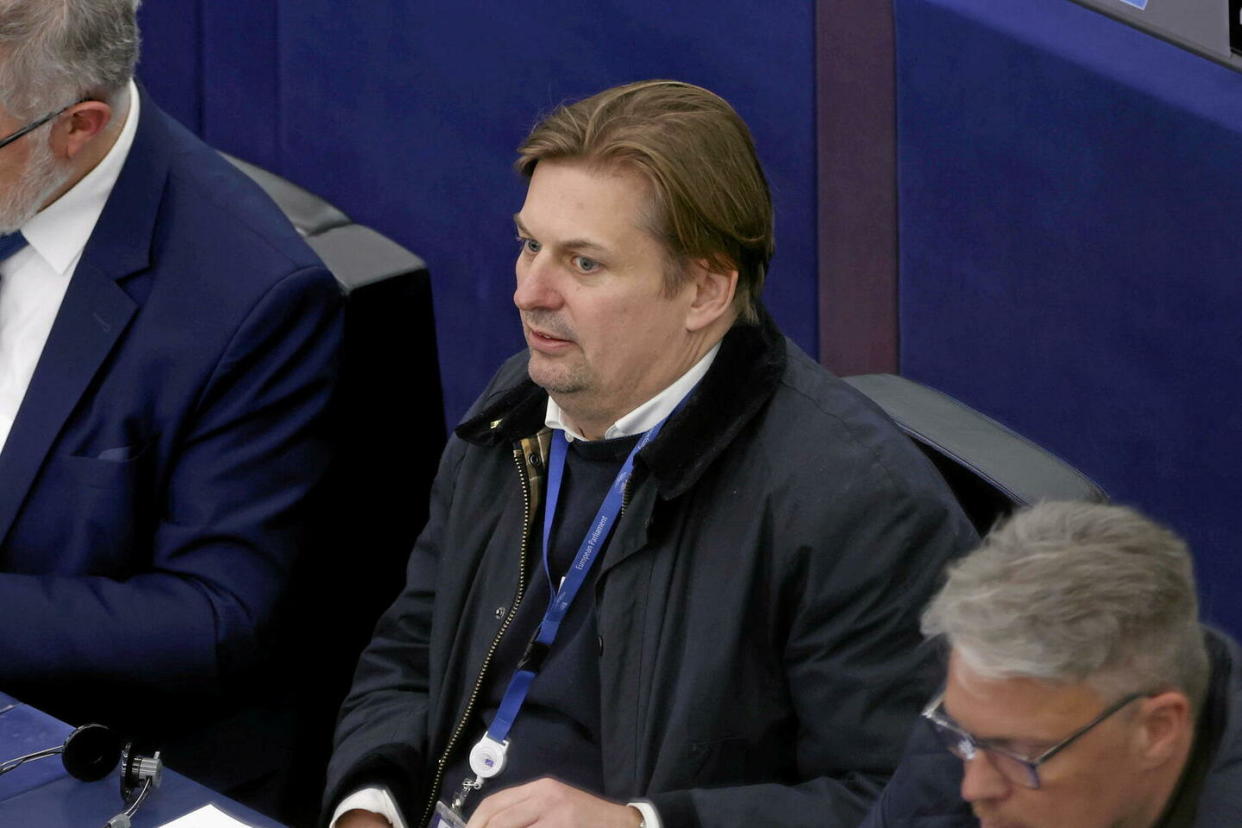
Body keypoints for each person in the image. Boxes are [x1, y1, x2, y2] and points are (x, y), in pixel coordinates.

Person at [324, 79, 975, 828]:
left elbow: (897, 804)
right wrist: (368, 803)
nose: (529, 293)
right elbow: (411, 652)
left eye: (584, 264)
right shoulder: (518, 409)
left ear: (704, 290)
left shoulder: (859, 507)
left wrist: (641, 825)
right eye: (529, 245)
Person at [0, 0, 342, 799]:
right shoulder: (15, 156)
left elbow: (213, 617)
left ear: (77, 125)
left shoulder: (251, 299)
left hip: (76, 756)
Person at [860, 501, 1242, 828]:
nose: (972, 788)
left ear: (1157, 730)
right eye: (959, 732)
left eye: (1021, 755)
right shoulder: (987, 713)